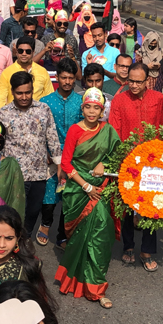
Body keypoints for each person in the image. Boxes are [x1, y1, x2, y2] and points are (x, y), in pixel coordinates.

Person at [54, 88, 120, 309]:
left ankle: (96, 288)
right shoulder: (74, 130)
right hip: (78, 190)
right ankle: (75, 281)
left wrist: (106, 165)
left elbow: (118, 156)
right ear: (82, 108)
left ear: (102, 110)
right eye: (88, 107)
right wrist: (86, 186)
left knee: (100, 236)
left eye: (96, 108)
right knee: (80, 238)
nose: (92, 112)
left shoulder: (108, 131)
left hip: (100, 189)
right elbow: (66, 163)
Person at [109, 63, 163, 272]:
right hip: (127, 162)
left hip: (151, 163)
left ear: (147, 81)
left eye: (138, 82)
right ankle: (128, 245)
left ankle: (147, 250)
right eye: (130, 81)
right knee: (126, 206)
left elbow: (161, 128)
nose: (133, 85)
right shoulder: (119, 100)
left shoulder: (158, 99)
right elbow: (115, 132)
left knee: (151, 206)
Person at [0, 71, 62, 238]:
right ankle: (12, 244)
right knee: (13, 212)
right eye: (19, 93)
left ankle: (25, 242)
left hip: (38, 174)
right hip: (14, 174)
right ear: (12, 92)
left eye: (28, 92)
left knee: (33, 211)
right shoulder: (3, 114)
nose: (24, 96)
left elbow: (52, 137)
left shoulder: (43, 109)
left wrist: (59, 164)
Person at [37, 59, 83, 248]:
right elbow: (39, 130)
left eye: (71, 78)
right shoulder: (45, 103)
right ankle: (45, 225)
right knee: (49, 195)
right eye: (63, 77)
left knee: (68, 196)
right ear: (57, 77)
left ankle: (63, 234)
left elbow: (84, 129)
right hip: (51, 156)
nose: (67, 82)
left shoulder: (81, 102)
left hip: (73, 156)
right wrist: (46, 152)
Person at [0, 36, 53, 111]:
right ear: (16, 52)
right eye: (21, 51)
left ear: (33, 52)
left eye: (28, 51)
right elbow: (0, 99)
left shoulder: (42, 71)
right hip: (14, 117)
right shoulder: (7, 73)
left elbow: (49, 97)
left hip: (38, 117)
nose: (24, 54)